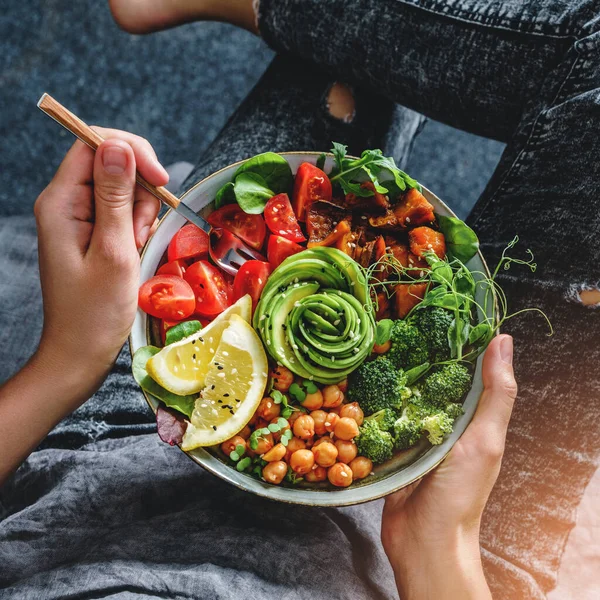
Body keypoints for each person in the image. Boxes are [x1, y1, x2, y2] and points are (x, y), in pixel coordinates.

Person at [0, 0, 598, 598]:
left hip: (141, 422)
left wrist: (70, 359)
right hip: (446, 561)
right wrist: (436, 550)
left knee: (345, 86)